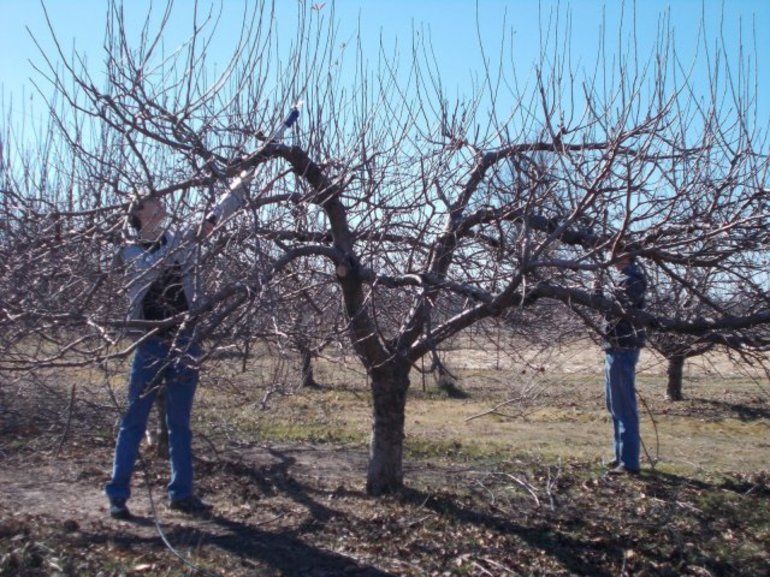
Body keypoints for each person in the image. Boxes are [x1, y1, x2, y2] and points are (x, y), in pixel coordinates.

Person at [105, 182, 246, 519]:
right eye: (152, 201)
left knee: (180, 422)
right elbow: (137, 271)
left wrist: (240, 185)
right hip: (150, 342)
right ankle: (118, 494)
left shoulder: (179, 240)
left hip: (184, 341)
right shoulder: (128, 252)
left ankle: (181, 493)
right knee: (134, 421)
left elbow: (215, 218)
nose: (161, 204)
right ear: (138, 212)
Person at [600, 254, 647, 475]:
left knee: (624, 406)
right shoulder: (622, 278)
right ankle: (620, 457)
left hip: (623, 346)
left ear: (626, 255)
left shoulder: (632, 279)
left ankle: (629, 463)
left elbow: (620, 310)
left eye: (615, 252)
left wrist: (598, 295)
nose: (611, 257)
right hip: (614, 345)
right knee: (615, 404)